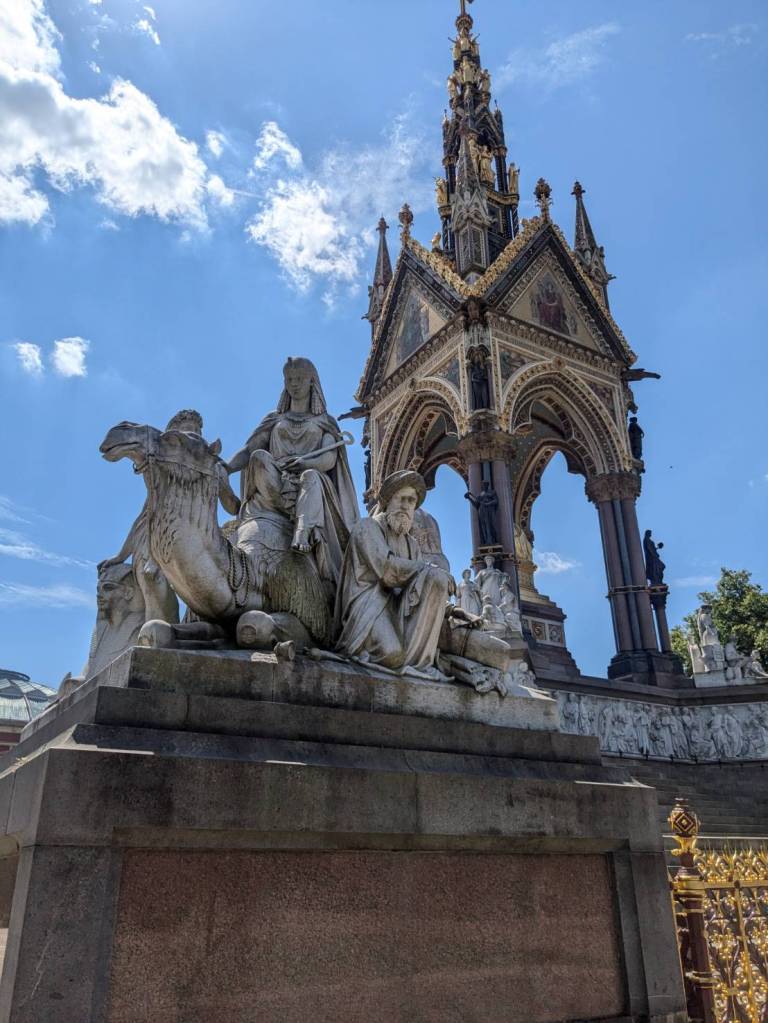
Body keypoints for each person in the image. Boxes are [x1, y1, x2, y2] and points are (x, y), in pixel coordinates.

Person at [227, 357, 359, 590]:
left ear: (312, 381)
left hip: (309, 484)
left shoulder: (325, 422)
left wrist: (306, 463)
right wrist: (226, 468)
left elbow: (329, 459)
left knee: (312, 477)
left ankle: (302, 532)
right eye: (289, 379)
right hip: (275, 482)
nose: (294, 384)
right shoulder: (274, 419)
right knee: (259, 457)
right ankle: (272, 512)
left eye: (299, 379)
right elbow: (248, 451)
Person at [334, 471, 451, 674]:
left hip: (397, 606)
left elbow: (421, 584)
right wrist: (426, 569)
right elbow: (387, 570)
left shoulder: (412, 544)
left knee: (437, 579)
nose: (406, 505)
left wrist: (452, 609)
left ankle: (417, 665)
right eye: (401, 498)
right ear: (388, 501)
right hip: (369, 605)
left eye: (411, 501)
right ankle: (405, 664)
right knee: (392, 655)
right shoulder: (367, 527)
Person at [464, 482, 499, 547]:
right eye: (483, 485)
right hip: (482, 511)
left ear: (487, 485)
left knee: (491, 524)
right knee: (484, 526)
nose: (484, 486)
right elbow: (476, 504)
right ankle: (487, 541)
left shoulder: (492, 492)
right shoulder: (480, 495)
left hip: (489, 510)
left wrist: (488, 504)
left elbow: (496, 501)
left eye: (485, 484)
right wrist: (469, 498)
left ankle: (494, 540)